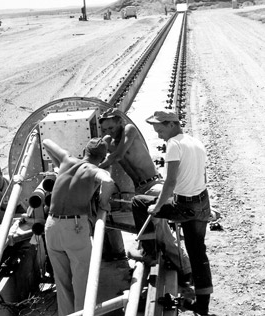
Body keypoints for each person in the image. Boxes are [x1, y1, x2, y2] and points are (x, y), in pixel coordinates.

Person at [132, 110, 213, 315]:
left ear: (171, 124)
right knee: (198, 253)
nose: (159, 135)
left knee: (140, 203)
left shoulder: (173, 145)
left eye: (159, 130)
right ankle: (202, 306)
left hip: (184, 206)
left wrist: (158, 207)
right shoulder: (195, 142)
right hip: (201, 202)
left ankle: (149, 251)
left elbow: (170, 182)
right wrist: (207, 208)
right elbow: (200, 176)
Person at [98, 108, 191, 278]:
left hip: (153, 184)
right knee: (155, 228)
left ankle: (185, 268)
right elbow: (98, 150)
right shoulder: (111, 141)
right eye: (105, 129)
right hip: (140, 189)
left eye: (111, 128)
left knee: (161, 231)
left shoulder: (129, 130)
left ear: (120, 122)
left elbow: (117, 155)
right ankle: (159, 256)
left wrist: (97, 165)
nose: (108, 132)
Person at [43, 137, 115, 316]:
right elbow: (108, 182)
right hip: (74, 227)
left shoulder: (67, 159)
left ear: (84, 151)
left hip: (51, 226)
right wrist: (104, 203)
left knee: (62, 282)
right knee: (83, 281)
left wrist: (58, 165)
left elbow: (46, 142)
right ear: (103, 157)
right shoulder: (93, 170)